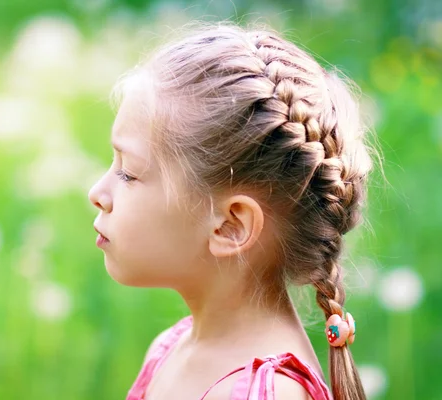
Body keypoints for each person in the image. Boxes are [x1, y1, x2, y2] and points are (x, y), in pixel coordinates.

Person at [88, 21, 376, 400]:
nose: (97, 192)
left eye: (128, 173)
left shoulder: (270, 393)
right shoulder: (171, 348)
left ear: (230, 226)